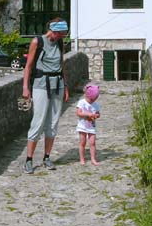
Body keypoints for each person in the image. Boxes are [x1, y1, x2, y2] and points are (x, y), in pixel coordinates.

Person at [22, 18, 69, 174]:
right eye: (61, 34)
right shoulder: (37, 42)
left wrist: (66, 86)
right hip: (41, 85)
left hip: (58, 84)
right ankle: (29, 160)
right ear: (54, 31)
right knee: (39, 121)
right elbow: (28, 66)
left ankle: (47, 157)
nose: (63, 36)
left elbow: (61, 65)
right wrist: (25, 87)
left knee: (53, 122)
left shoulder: (60, 43)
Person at [76, 84, 101, 165]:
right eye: (91, 99)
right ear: (88, 96)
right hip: (82, 126)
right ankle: (82, 159)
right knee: (82, 142)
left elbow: (98, 113)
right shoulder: (81, 102)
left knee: (92, 143)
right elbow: (78, 113)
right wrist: (87, 114)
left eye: (94, 100)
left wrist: (96, 115)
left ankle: (93, 159)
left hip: (91, 126)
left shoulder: (95, 104)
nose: (92, 101)